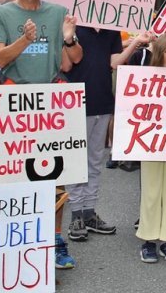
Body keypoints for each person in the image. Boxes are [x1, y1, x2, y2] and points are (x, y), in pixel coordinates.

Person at [0, 0, 83, 270]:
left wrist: (70, 39)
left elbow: (72, 61)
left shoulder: (57, 13)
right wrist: (25, 40)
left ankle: (55, 242)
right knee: (14, 177)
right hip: (13, 102)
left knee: (55, 176)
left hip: (51, 101)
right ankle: (19, 243)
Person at [65, 27, 152, 242]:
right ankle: (76, 214)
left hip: (102, 101)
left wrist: (135, 42)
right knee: (76, 163)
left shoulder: (111, 32)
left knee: (94, 161)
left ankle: (88, 212)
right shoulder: (74, 28)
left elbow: (114, 62)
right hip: (75, 102)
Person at [136, 34, 166, 263]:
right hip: (151, 143)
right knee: (151, 191)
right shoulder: (145, 76)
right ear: (160, 54)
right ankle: (148, 241)